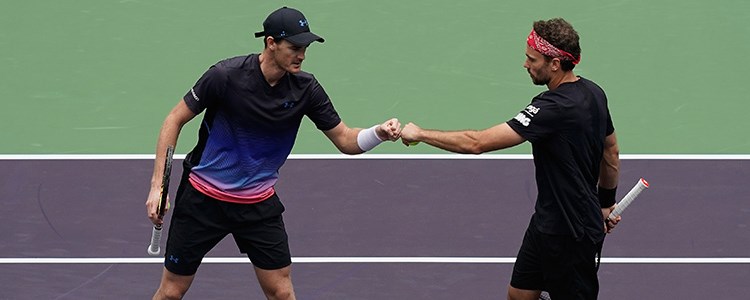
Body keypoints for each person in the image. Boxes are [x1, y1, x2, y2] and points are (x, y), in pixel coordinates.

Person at [144, 7, 401, 300]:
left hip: (257, 205)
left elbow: (345, 140)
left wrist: (378, 133)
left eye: (304, 49)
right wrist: (159, 187)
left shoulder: (307, 89)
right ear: (270, 43)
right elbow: (173, 120)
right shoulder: (225, 76)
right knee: (172, 292)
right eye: (294, 48)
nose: (302, 55)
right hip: (203, 200)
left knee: (281, 291)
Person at [400, 18, 620, 300]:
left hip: (570, 235)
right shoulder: (594, 93)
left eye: (532, 59)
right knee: (519, 295)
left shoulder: (551, 108)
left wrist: (420, 133)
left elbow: (476, 143)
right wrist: (605, 202)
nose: (525, 64)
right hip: (546, 224)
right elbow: (610, 152)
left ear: (554, 63)